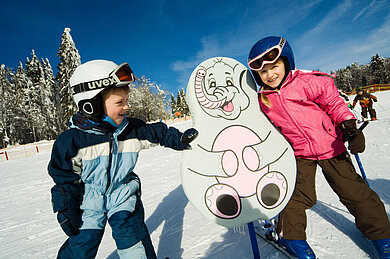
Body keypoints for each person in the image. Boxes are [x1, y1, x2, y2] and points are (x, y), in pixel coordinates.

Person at [247, 36, 390, 259]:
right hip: (299, 153)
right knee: (295, 196)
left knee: (355, 192)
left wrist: (349, 127)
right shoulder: (263, 98)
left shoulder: (306, 81)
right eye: (263, 72)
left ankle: (381, 234)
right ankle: (291, 236)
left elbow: (333, 102)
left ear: (287, 61)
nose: (270, 75)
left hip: (331, 145)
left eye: (275, 66)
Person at [48, 60, 198, 259]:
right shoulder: (72, 141)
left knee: (132, 239)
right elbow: (63, 175)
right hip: (89, 200)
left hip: (123, 195)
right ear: (90, 105)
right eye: (120, 102)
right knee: (81, 245)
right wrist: (66, 205)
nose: (127, 107)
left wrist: (178, 139)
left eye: (126, 100)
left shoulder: (131, 130)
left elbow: (157, 132)